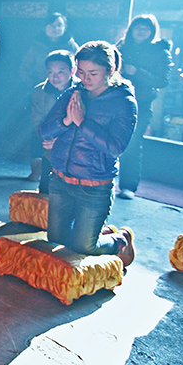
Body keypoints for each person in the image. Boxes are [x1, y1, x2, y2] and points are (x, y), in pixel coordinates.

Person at [38, 41, 137, 265]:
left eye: (93, 73)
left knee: (83, 247)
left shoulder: (124, 103)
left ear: (110, 70)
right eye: (81, 72)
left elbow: (116, 148)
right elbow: (44, 131)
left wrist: (82, 122)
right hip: (61, 180)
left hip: (94, 186)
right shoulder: (73, 93)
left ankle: (119, 240)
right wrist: (66, 120)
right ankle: (97, 232)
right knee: (56, 240)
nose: (85, 78)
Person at [116, 14, 171, 199]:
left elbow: (162, 80)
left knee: (133, 144)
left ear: (152, 32)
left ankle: (128, 186)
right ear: (131, 29)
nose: (141, 31)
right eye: (138, 27)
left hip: (141, 103)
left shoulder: (160, 52)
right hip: (115, 99)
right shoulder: (121, 47)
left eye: (146, 29)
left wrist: (137, 72)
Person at [29, 50, 75, 193]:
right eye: (50, 72)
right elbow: (37, 121)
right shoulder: (39, 92)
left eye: (61, 72)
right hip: (49, 147)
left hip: (74, 149)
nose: (55, 77)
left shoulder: (81, 90)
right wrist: (48, 139)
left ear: (72, 71)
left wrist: (61, 141)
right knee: (46, 189)